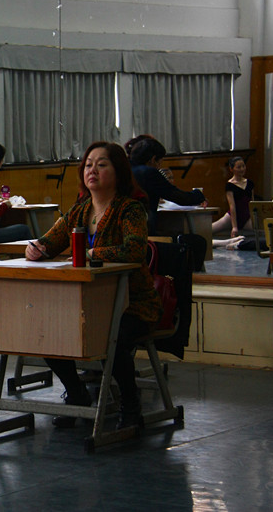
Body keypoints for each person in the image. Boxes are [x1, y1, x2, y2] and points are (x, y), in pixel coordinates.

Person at [25, 141, 162, 429]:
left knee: (112, 336)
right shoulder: (80, 210)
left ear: (118, 171)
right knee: (47, 332)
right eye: (88, 165)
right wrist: (36, 248)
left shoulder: (130, 209)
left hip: (132, 305)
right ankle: (77, 394)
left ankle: (130, 403)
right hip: (88, 303)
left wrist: (91, 254)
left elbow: (134, 250)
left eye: (101, 165)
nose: (93, 171)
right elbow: (49, 242)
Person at [128, 137, 206, 233]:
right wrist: (198, 194)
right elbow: (180, 198)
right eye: (159, 163)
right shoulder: (148, 172)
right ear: (153, 159)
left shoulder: (126, 169)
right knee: (192, 239)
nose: (159, 167)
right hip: (142, 231)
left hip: (122, 230)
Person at [212, 156, 255, 238]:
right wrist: (234, 226)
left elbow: (252, 203)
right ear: (231, 169)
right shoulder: (230, 185)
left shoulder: (250, 183)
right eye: (238, 167)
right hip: (231, 217)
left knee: (264, 228)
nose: (242, 169)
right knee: (210, 229)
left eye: (243, 166)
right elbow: (232, 206)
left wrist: (253, 217)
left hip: (246, 217)